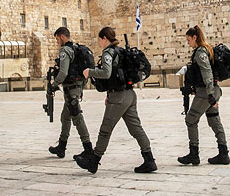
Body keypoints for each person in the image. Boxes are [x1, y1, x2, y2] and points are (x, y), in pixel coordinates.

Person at [75, 26, 156, 174]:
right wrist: (109, 94)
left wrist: (89, 72)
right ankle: (149, 159)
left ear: (104, 38)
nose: (99, 42)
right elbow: (118, 76)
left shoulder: (108, 52)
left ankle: (94, 161)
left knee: (105, 129)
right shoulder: (120, 51)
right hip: (129, 94)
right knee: (136, 128)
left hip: (118, 97)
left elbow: (106, 73)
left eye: (99, 39)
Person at [178, 25, 230, 166]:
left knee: (191, 120)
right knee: (214, 120)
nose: (188, 43)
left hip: (206, 92)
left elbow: (207, 73)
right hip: (211, 91)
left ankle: (193, 154)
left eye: (189, 40)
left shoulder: (201, 52)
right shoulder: (207, 50)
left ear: (195, 38)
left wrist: (209, 94)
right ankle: (223, 153)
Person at [48, 27, 93, 160]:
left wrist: (54, 84)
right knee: (65, 117)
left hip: (71, 89)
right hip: (77, 87)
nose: (57, 42)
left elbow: (63, 72)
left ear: (62, 36)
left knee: (77, 118)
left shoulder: (65, 50)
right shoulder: (75, 48)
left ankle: (88, 148)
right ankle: (61, 147)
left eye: (57, 39)